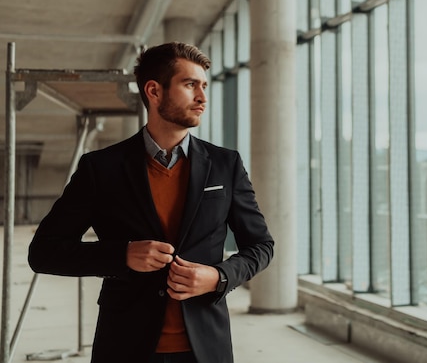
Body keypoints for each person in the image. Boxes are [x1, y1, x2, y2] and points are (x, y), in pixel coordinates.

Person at [28, 42, 274, 363]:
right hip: (125, 346)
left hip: (205, 348)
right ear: (154, 91)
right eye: (190, 85)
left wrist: (219, 277)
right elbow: (44, 252)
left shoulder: (226, 164)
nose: (202, 97)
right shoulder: (100, 168)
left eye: (203, 86)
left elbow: (261, 246)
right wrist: (122, 255)